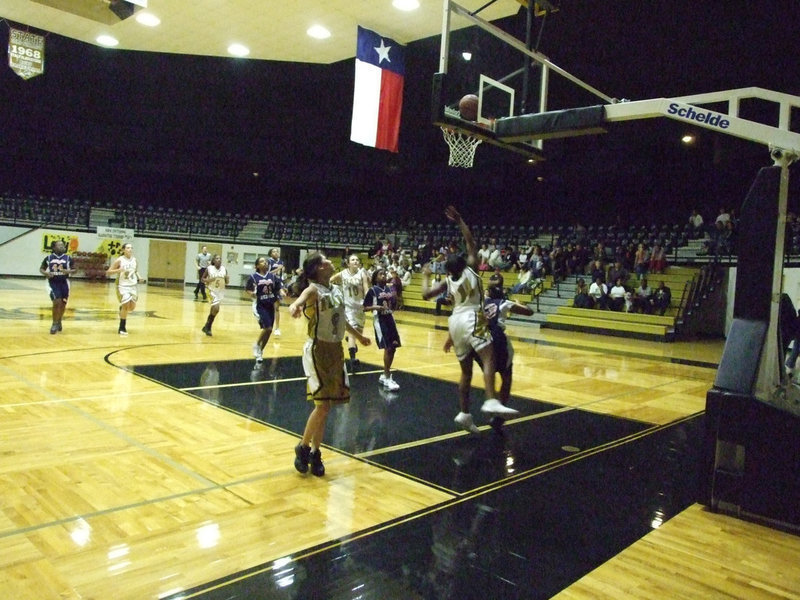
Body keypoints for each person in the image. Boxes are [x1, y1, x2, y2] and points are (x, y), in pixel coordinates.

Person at [421, 205, 519, 434]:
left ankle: (464, 413)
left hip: (454, 321)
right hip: (472, 316)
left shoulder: (448, 280)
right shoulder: (472, 269)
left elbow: (426, 294)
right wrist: (460, 220)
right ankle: (490, 399)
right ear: (464, 263)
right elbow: (470, 241)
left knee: (466, 372)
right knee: (488, 358)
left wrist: (425, 276)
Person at [289, 252, 371, 477]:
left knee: (326, 407)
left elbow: (342, 320)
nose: (329, 262)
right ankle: (303, 448)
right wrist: (294, 306)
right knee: (322, 405)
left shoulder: (335, 290)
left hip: (336, 350)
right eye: (324, 260)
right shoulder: (314, 289)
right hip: (317, 350)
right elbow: (301, 297)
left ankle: (315, 452)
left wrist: (359, 337)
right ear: (317, 269)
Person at [481, 273, 534, 432]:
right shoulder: (505, 303)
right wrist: (520, 303)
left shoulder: (482, 300)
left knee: (488, 369)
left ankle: (490, 400)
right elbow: (529, 312)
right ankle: (500, 411)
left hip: (481, 337)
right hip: (497, 337)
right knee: (507, 376)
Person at [330, 253, 370, 373]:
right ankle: (353, 359)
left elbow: (366, 287)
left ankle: (351, 342)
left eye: (357, 260)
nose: (355, 261)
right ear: (348, 263)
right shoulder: (342, 274)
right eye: (353, 260)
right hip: (348, 307)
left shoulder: (362, 273)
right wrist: (334, 290)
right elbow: (329, 281)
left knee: (358, 332)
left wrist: (368, 301)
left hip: (360, 306)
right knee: (354, 333)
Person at [363, 268, 401, 390]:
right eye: (380, 274)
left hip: (390, 318)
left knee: (393, 347)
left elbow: (394, 302)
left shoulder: (390, 288)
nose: (384, 275)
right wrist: (376, 307)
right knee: (388, 347)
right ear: (375, 278)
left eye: (385, 274)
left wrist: (395, 301)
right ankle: (386, 375)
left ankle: (385, 375)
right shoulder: (373, 290)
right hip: (380, 320)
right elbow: (364, 308)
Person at [246, 256, 282, 362]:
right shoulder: (253, 277)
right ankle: (257, 344)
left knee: (269, 331)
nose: (265, 263)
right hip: (260, 305)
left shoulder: (272, 276)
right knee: (268, 328)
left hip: (270, 304)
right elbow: (248, 289)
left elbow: (278, 288)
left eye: (266, 262)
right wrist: (252, 294)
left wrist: (282, 292)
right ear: (257, 266)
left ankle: (260, 351)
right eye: (262, 262)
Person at [106, 242, 144, 336]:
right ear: (123, 250)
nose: (130, 249)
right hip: (122, 286)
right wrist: (118, 270)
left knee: (131, 308)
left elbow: (135, 271)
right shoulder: (119, 260)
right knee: (126, 305)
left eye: (131, 248)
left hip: (133, 286)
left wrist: (139, 277)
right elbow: (108, 272)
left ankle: (122, 309)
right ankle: (122, 327)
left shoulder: (134, 260)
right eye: (127, 248)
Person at [39, 239, 74, 334]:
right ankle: (54, 323)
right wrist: (46, 273)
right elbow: (41, 269)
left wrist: (68, 271)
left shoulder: (68, 258)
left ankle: (59, 320)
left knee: (63, 303)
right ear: (54, 248)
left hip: (64, 282)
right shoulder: (49, 258)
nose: (62, 247)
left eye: (63, 245)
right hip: (52, 282)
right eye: (60, 245)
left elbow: (75, 270)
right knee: (56, 301)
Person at [201, 253, 229, 336]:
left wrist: (227, 280)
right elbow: (202, 279)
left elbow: (226, 282)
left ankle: (207, 326)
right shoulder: (209, 269)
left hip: (220, 291)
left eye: (220, 258)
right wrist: (209, 280)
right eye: (217, 258)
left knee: (214, 309)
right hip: (210, 290)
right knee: (216, 308)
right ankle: (208, 326)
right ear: (213, 260)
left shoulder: (224, 269)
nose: (219, 260)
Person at [267, 247, 285, 336]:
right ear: (270, 254)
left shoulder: (281, 262)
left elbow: (281, 275)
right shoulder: (269, 262)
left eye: (277, 251)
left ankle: (277, 328)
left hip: (277, 285)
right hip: (269, 284)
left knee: (277, 308)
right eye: (274, 251)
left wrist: (282, 286)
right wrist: (278, 269)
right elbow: (268, 274)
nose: (276, 253)